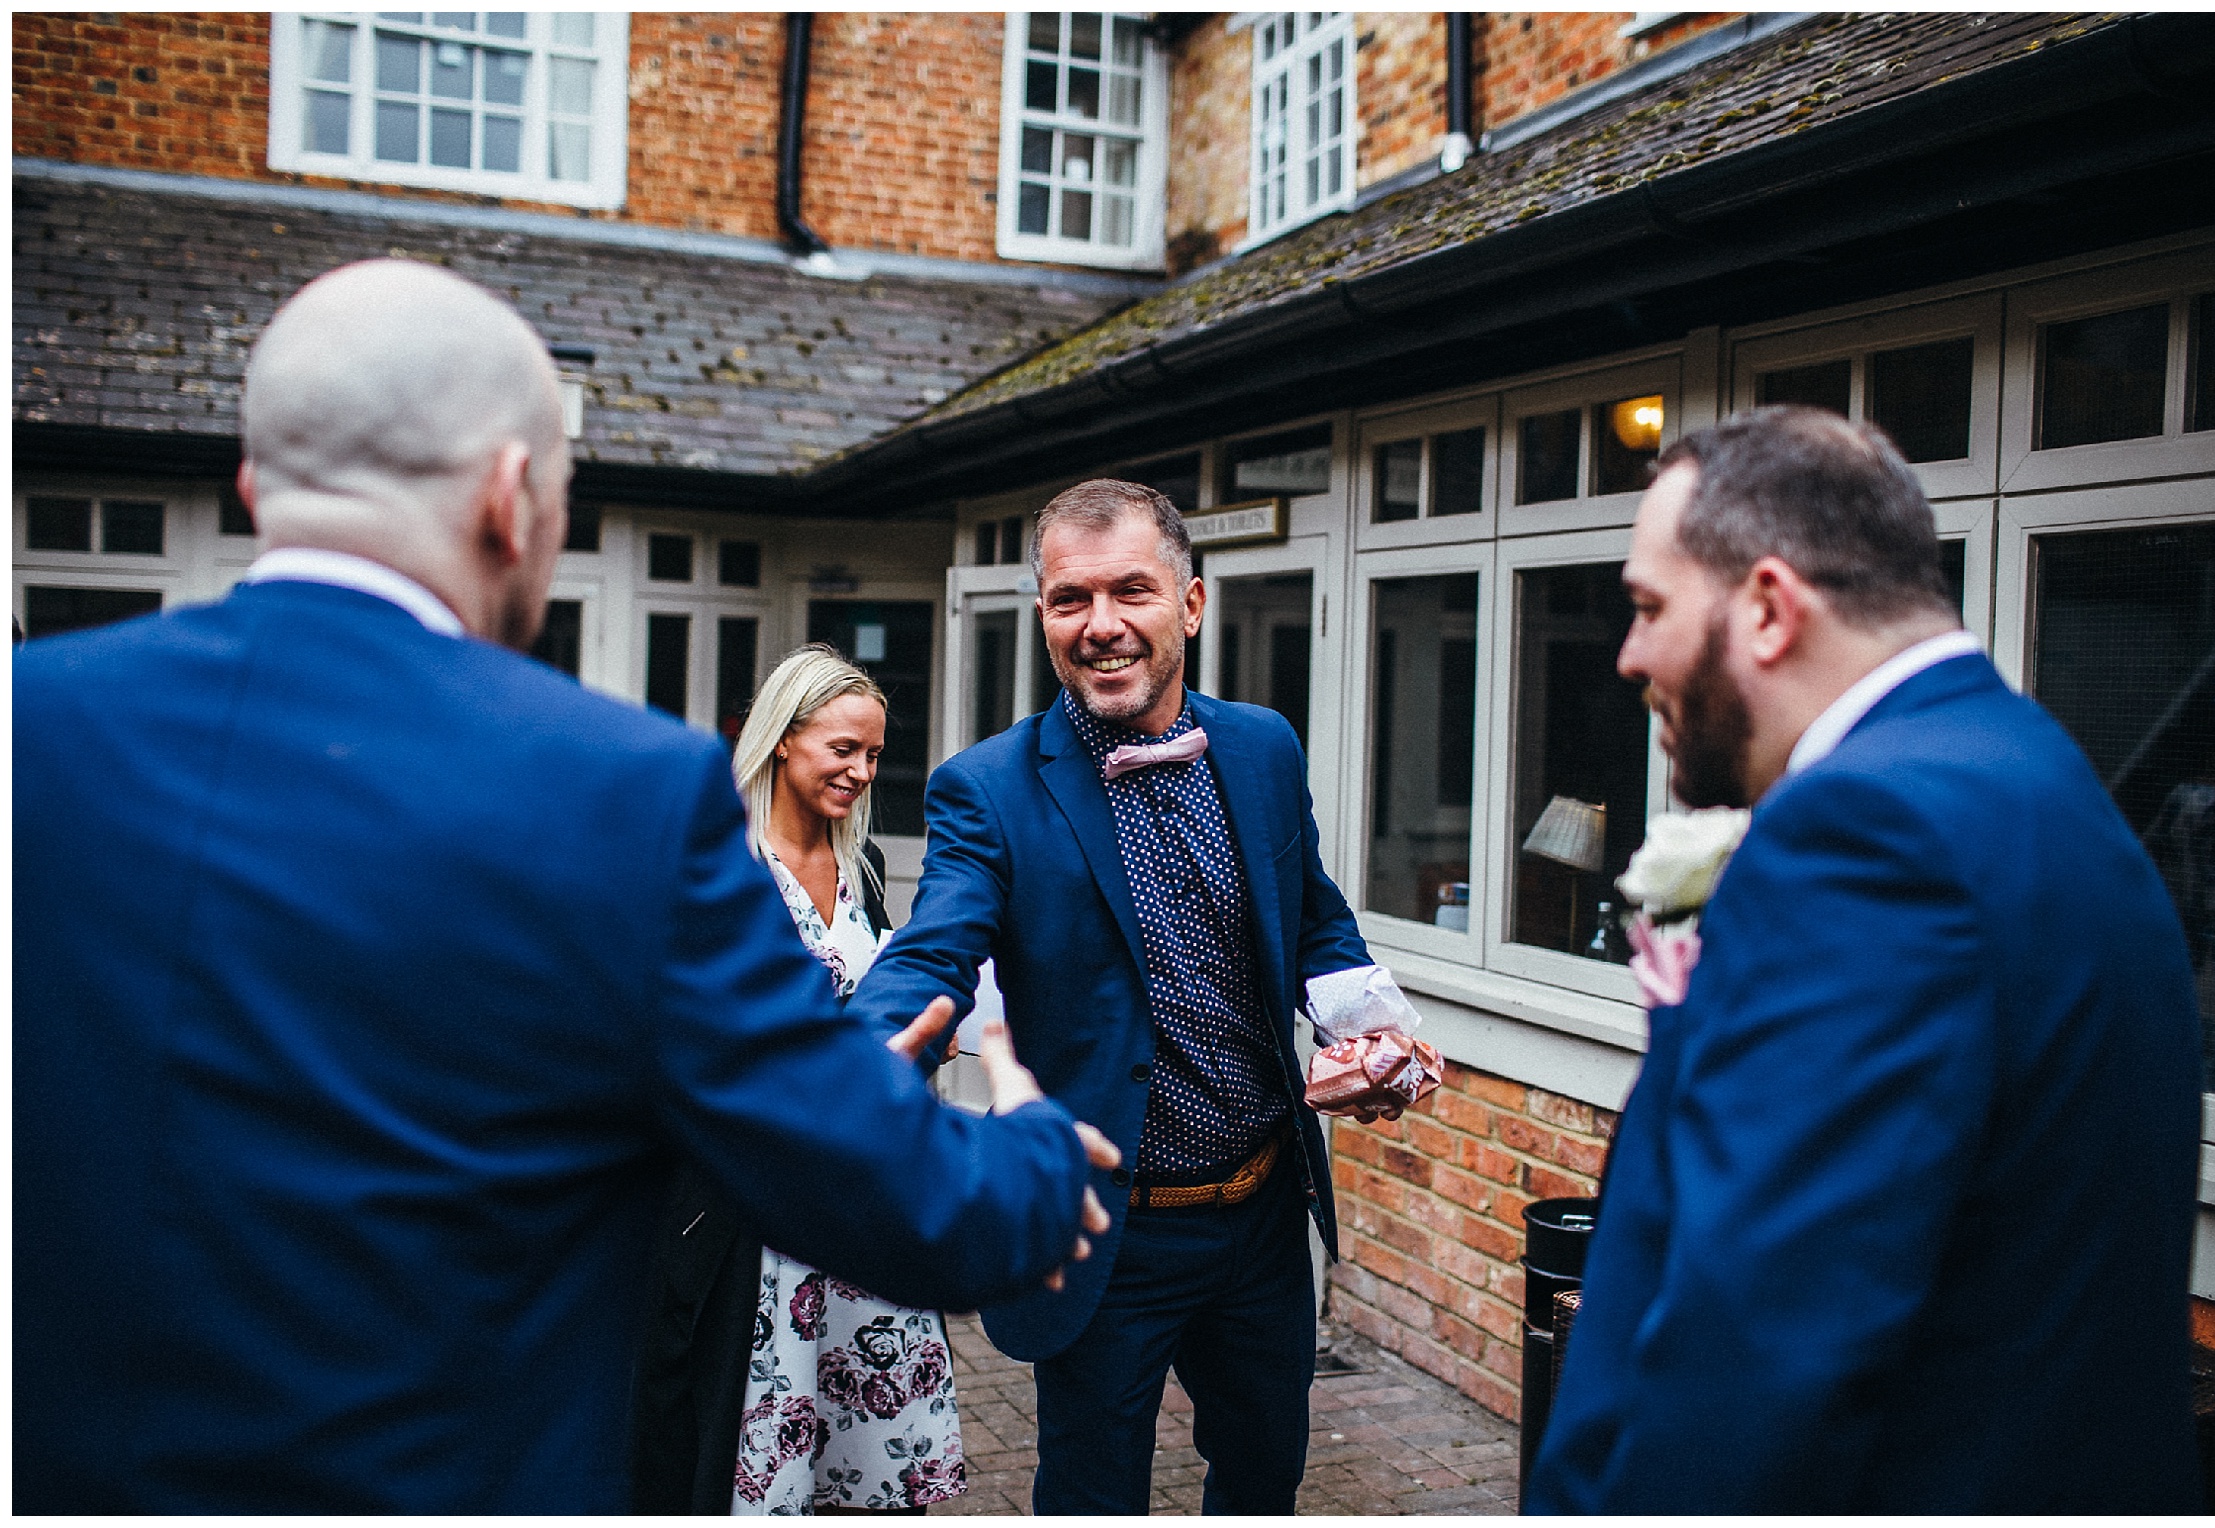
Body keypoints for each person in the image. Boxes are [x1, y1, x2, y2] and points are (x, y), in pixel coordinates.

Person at [14, 259, 1115, 1514]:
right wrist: (1030, 1144)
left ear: (259, 484)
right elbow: (893, 1194)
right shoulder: (623, 795)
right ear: (510, 495)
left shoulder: (28, 730)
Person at [1527, 408, 2204, 1512]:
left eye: (1649, 607)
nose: (1628, 654)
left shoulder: (1864, 832)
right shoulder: (2030, 768)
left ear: (1767, 606)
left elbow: (1759, 1353)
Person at [848, 479, 1380, 1515]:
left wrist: (1373, 1031)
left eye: (1131, 591)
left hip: (1265, 1211)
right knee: (1092, 1495)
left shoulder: (1264, 745)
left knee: (1267, 1473)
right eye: (1069, 600)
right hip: (1105, 1228)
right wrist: (856, 1053)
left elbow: (1314, 915)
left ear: (1190, 602)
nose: (1101, 626)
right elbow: (933, 945)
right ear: (1043, 614)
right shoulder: (987, 787)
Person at [633, 645, 966, 1513]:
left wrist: (928, 1040)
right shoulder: (715, 874)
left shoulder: (867, 873)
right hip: (754, 1221)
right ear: (783, 740)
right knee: (741, 1439)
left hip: (867, 1213)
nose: (861, 771)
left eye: (874, 755)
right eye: (842, 749)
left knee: (861, 1453)